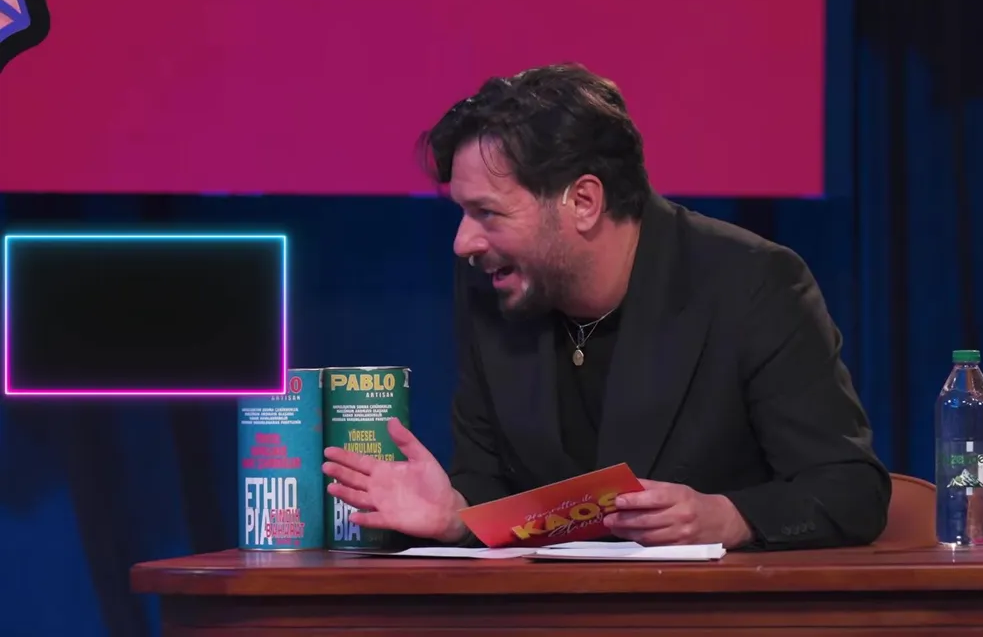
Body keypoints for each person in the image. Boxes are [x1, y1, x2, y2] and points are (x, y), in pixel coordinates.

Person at [322, 63, 891, 550]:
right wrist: (456, 516)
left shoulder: (751, 283)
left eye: (488, 213)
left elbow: (850, 490)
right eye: (462, 213)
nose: (463, 242)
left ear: (584, 201)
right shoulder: (492, 289)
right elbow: (493, 493)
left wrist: (730, 518)